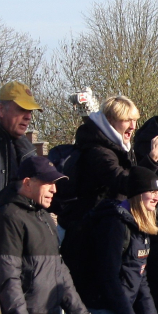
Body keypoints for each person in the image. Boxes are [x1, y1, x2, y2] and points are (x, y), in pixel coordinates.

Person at [0, 156, 94, 314]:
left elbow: (59, 269)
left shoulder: (44, 216)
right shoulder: (8, 217)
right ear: (27, 183)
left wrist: (80, 313)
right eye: (49, 183)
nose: (54, 189)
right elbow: (7, 274)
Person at [80, 168, 158, 314]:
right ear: (138, 194)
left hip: (122, 309)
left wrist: (148, 310)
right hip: (105, 308)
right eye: (152, 192)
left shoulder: (141, 224)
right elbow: (108, 276)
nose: (156, 197)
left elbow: (140, 271)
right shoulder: (115, 224)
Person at [62, 95, 140, 231]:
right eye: (127, 120)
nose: (133, 126)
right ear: (110, 120)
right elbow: (121, 182)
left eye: (134, 120)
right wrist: (153, 159)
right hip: (91, 229)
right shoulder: (97, 150)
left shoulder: (120, 146)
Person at [0, 82, 40, 213]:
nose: (28, 116)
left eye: (30, 111)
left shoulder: (27, 149)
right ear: (1, 110)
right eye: (21, 109)